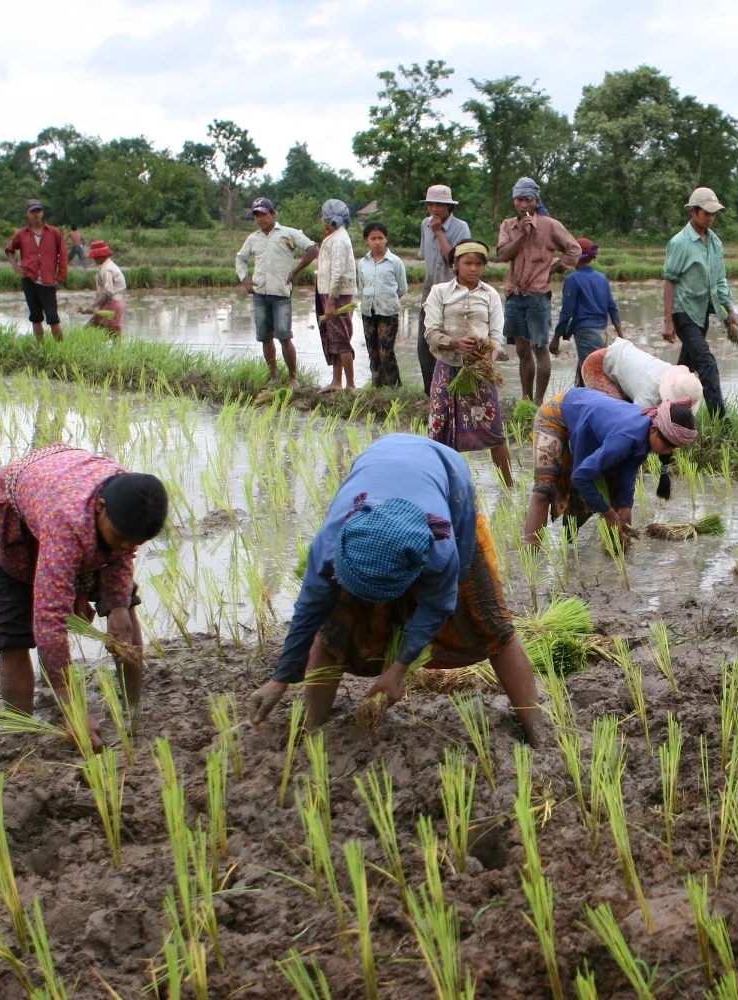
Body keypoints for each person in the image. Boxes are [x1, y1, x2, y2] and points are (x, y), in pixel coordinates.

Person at [246, 434, 543, 741]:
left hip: (450, 480)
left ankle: (539, 732)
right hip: (377, 470)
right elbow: (310, 609)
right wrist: (280, 678)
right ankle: (314, 728)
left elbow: (438, 604)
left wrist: (398, 669)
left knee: (488, 620)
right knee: (334, 625)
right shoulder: (333, 542)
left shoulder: (442, 544)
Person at [0, 445, 167, 750]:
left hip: (60, 495)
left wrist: (117, 604)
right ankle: (20, 735)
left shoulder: (132, 502)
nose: (124, 548)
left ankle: (133, 708)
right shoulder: (67, 522)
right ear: (101, 507)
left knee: (126, 610)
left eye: (134, 543)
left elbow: (121, 552)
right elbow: (50, 620)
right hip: (14, 519)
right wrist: (73, 709)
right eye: (119, 538)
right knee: (14, 630)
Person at [522, 388, 697, 547]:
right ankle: (531, 551)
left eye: (674, 448)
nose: (669, 451)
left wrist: (625, 505)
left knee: (611, 490)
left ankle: (583, 545)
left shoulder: (645, 433)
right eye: (667, 444)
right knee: (544, 490)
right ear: (653, 430)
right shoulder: (625, 437)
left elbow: (629, 467)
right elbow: (581, 477)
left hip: (588, 419)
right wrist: (608, 513)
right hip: (556, 414)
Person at [423, 240, 514, 487]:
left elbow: (497, 337)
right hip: (448, 369)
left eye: (478, 264)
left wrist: (489, 357)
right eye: (467, 263)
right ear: (455, 264)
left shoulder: (490, 294)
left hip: (480, 372)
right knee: (442, 431)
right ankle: (445, 485)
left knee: (494, 432)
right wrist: (454, 342)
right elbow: (430, 333)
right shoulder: (439, 292)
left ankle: (509, 487)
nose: (473, 269)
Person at [497, 177, 581, 403]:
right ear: (514, 201)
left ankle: (538, 401)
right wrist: (522, 235)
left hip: (537, 297)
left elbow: (574, 250)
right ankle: (525, 400)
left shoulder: (549, 225)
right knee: (522, 350)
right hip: (514, 295)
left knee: (540, 348)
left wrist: (555, 268)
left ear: (535, 201)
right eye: (519, 199)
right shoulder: (508, 226)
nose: (523, 205)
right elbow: (502, 254)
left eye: (527, 200)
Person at [663, 187, 738, 416]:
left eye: (713, 213)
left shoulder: (715, 242)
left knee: (683, 370)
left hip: (702, 312)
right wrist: (668, 321)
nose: (710, 217)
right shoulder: (680, 243)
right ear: (693, 212)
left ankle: (666, 412)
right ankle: (721, 422)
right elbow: (669, 281)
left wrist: (730, 311)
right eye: (706, 213)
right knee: (707, 364)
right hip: (683, 312)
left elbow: (719, 279)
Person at [235, 197, 320, 383]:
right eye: (256, 215)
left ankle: (293, 378)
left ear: (273, 213)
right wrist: (245, 278)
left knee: (284, 336)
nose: (260, 218)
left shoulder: (289, 234)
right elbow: (240, 258)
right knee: (265, 337)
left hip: (281, 293)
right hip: (260, 294)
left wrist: (296, 271)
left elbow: (314, 249)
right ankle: (273, 376)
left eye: (264, 214)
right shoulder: (253, 238)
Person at [417, 185, 472, 395]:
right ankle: (429, 393)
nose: (434, 208)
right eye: (431, 204)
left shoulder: (461, 228)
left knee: (451, 345)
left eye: (439, 204)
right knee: (425, 345)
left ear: (449, 206)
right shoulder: (425, 224)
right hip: (429, 292)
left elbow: (455, 260)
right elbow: (425, 256)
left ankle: (453, 393)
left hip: (453, 295)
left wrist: (439, 232)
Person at [552, 238, 622, 384]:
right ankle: (577, 399)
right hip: (602, 333)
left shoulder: (573, 279)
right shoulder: (602, 278)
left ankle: (594, 403)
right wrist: (621, 336)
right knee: (588, 370)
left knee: (591, 375)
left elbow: (567, 311)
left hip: (586, 334)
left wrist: (556, 338)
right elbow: (612, 307)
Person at [581, 337, 704, 411]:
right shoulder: (649, 396)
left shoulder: (672, 375)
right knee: (615, 413)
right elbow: (632, 421)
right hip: (598, 366)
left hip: (619, 357)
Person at [5, 199, 67, 342]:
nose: (36, 214)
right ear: (27, 214)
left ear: (42, 212)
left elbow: (63, 256)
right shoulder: (21, 234)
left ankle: (62, 349)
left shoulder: (54, 233)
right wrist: (16, 267)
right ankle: (41, 348)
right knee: (36, 317)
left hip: (48, 281)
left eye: (38, 211)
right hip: (29, 279)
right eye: (32, 212)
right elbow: (9, 250)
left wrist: (60, 278)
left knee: (53, 318)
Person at [356, 220, 408, 389]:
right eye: (373, 238)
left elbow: (401, 289)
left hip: (388, 313)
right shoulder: (362, 263)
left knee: (386, 352)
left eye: (380, 238)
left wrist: (388, 301)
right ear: (366, 240)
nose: (377, 242)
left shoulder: (395, 262)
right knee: (373, 351)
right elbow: (361, 286)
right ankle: (376, 386)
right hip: (368, 312)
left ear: (386, 239)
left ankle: (393, 387)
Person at [315, 199, 359, 393]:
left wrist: (331, 301)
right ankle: (336, 382)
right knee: (334, 337)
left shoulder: (339, 240)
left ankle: (350, 385)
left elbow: (338, 271)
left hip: (337, 295)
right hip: (330, 292)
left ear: (327, 218)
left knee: (341, 338)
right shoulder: (335, 237)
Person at [78, 240, 126, 335]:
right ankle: (117, 349)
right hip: (117, 304)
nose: (94, 259)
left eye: (95, 257)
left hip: (112, 304)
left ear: (101, 256)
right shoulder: (109, 266)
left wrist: (93, 306)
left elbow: (108, 291)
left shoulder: (107, 269)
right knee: (114, 332)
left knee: (89, 331)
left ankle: (91, 349)